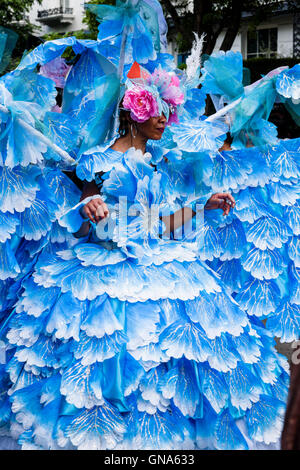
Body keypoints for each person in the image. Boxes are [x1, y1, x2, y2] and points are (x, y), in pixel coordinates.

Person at [0, 62, 289, 451]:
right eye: (159, 111)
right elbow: (87, 228)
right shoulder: (97, 161)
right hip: (103, 272)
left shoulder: (156, 164)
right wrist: (90, 209)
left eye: (169, 111)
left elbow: (159, 225)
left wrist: (203, 205)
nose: (166, 120)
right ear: (135, 113)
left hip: (163, 264)